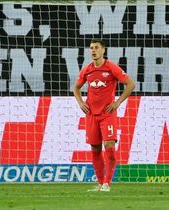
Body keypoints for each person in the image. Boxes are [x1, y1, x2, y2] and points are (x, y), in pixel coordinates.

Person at [74, 39, 135, 192]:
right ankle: (101, 184)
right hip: (91, 115)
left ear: (103, 50)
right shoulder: (87, 70)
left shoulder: (111, 67)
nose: (93, 50)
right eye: (91, 48)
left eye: (96, 48)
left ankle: (107, 183)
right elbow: (76, 87)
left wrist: (118, 102)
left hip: (107, 114)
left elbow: (130, 84)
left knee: (109, 146)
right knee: (95, 149)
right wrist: (81, 103)